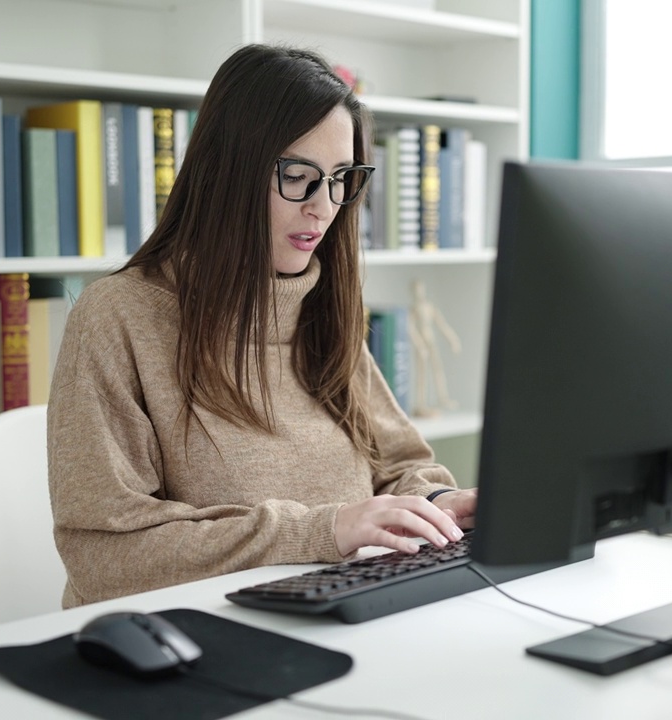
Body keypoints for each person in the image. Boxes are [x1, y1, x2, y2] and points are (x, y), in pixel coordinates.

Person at [47, 44, 478, 608]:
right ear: (228, 171)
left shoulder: (321, 305)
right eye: (298, 176)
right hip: (186, 635)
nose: (324, 207)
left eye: (341, 179)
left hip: (325, 610)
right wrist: (323, 531)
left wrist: (435, 502)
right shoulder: (117, 319)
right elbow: (104, 554)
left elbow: (400, 465)